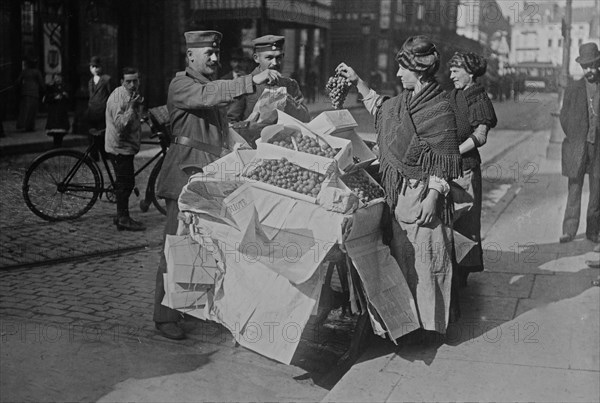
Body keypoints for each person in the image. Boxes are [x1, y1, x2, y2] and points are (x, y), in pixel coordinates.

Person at [153, 30, 282, 340]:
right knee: (178, 243)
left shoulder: (206, 86)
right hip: (185, 174)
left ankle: (187, 306)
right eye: (207, 53)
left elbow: (218, 124)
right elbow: (210, 95)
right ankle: (164, 316)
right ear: (190, 57)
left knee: (202, 244)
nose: (214, 58)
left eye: (215, 53)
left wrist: (250, 127)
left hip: (208, 173)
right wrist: (251, 81)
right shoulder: (182, 84)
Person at [336, 35, 462, 337]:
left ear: (418, 70)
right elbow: (380, 109)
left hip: (424, 197)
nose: (397, 74)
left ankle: (431, 327)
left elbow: (443, 159)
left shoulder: (440, 107)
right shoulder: (401, 102)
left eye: (402, 68)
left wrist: (433, 197)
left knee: (428, 262)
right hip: (399, 196)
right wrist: (358, 81)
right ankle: (409, 323)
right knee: (404, 261)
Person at [447, 52, 497, 287]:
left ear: (470, 72)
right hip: (449, 168)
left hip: (466, 169)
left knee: (465, 223)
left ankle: (461, 274)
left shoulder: (479, 99)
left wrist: (455, 151)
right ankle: (452, 268)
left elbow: (481, 135)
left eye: (455, 71)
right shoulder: (455, 94)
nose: (451, 76)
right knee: (451, 220)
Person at [559, 42, 600, 244]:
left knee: (597, 191)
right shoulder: (573, 88)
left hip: (598, 148)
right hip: (578, 145)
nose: (589, 70)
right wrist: (575, 135)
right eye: (585, 66)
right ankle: (569, 230)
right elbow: (564, 117)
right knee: (574, 187)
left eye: (592, 65)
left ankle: (593, 231)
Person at [227, 34, 310, 123]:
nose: (274, 63)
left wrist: (285, 99)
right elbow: (230, 124)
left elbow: (305, 119)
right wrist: (250, 125)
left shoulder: (290, 84)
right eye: (269, 58)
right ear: (256, 58)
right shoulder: (244, 84)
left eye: (278, 58)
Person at [104, 67, 146, 232]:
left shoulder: (130, 95)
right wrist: (132, 107)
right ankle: (123, 218)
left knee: (124, 182)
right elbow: (121, 125)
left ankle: (121, 216)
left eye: (135, 80)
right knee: (126, 184)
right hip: (119, 148)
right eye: (128, 81)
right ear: (122, 82)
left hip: (125, 147)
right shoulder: (119, 97)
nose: (132, 84)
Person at [87, 56, 112, 161]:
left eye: (97, 66)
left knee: (102, 134)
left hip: (102, 112)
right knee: (92, 134)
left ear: (101, 67)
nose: (95, 69)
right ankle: (94, 156)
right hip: (92, 112)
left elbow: (111, 95)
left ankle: (105, 155)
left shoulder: (106, 79)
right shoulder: (90, 81)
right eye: (93, 67)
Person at [16, 58, 45, 132]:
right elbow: (41, 82)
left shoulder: (24, 71)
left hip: (25, 92)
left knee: (25, 109)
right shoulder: (37, 72)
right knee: (33, 110)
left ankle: (22, 125)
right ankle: (30, 126)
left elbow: (18, 81)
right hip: (34, 92)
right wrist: (43, 89)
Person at [44, 74, 71, 148]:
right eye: (56, 78)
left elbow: (69, 100)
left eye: (59, 78)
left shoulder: (64, 87)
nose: (58, 79)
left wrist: (66, 96)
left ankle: (60, 143)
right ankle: (55, 144)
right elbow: (46, 99)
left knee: (62, 129)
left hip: (62, 111)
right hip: (54, 111)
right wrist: (54, 97)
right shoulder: (51, 88)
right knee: (55, 129)